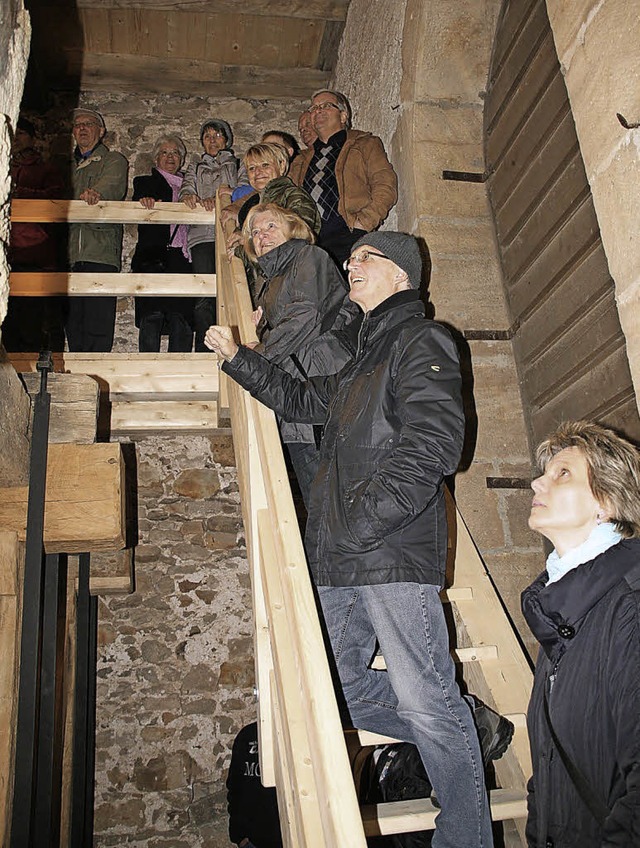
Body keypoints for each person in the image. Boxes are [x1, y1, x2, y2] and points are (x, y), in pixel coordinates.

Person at [206, 231, 494, 848]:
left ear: (402, 277)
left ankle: (464, 835)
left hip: (387, 553)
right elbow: (299, 397)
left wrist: (365, 519)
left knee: (426, 702)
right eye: (352, 255)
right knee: (341, 690)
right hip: (337, 561)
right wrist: (238, 355)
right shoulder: (361, 359)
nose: (350, 264)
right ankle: (468, 721)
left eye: (367, 257)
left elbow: (437, 444)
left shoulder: (422, 339)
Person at [521, 420, 640, 847]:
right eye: (545, 472)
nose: (538, 482)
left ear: (606, 502)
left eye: (562, 473)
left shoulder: (629, 608)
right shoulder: (560, 610)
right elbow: (548, 769)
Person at [239, 202, 351, 506]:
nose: (262, 235)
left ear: (292, 227)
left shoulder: (308, 256)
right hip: (298, 398)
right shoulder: (268, 283)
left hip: (322, 385)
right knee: (318, 500)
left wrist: (257, 354)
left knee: (335, 498)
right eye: (255, 232)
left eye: (271, 226)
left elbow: (306, 315)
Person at [289, 90, 397, 268]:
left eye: (326, 106)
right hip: (309, 242)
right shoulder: (301, 160)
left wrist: (365, 221)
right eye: (314, 108)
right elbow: (277, 192)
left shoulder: (364, 144)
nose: (318, 111)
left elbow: (385, 184)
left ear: (343, 115)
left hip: (349, 234)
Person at [179, 118, 248, 350]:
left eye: (217, 136)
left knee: (231, 289)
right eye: (207, 137)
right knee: (204, 295)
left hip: (229, 232)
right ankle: (204, 349)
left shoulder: (238, 164)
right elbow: (187, 188)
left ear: (226, 139)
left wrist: (220, 198)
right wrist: (191, 197)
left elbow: (244, 189)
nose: (212, 141)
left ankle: (231, 346)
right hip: (202, 236)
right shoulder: (195, 166)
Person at [66, 107, 128, 352]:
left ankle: (95, 383)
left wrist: (96, 194)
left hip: (100, 253)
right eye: (78, 125)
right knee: (73, 323)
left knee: (98, 323)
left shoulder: (114, 160)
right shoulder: (66, 165)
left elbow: (110, 187)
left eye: (88, 124)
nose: (82, 128)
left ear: (101, 132)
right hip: (70, 254)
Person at [4, 116, 65, 352]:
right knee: (8, 322)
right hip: (7, 254)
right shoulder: (4, 168)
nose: (16, 138)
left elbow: (55, 198)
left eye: (21, 133)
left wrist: (19, 193)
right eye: (13, 133)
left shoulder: (46, 169)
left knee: (32, 321)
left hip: (34, 252)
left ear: (32, 138)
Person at [131, 134, 194, 352]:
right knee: (152, 316)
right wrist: (144, 201)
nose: (170, 157)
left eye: (175, 153)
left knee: (182, 319)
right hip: (153, 257)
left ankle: (181, 378)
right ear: (156, 158)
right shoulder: (144, 183)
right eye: (165, 152)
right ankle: (146, 380)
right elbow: (138, 203)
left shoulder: (191, 186)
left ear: (181, 159)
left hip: (182, 258)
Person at [226, 722, 283, 848]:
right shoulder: (248, 735)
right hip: (253, 841)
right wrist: (239, 836)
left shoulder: (300, 736)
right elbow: (235, 787)